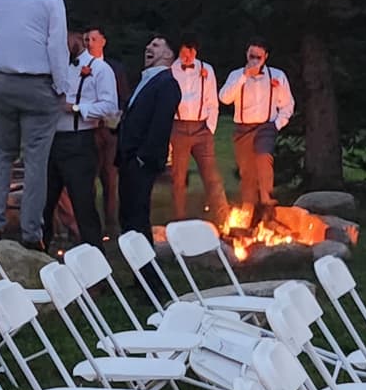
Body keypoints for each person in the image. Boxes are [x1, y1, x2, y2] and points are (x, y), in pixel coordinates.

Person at [0, 0, 69, 251]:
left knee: (2, 155)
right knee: (35, 161)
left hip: (2, 80)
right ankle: (31, 233)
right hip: (37, 84)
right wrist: (62, 87)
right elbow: (56, 46)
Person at [43, 31, 118, 251]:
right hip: (50, 142)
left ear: (76, 39)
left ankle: (95, 259)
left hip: (80, 141)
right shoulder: (52, 68)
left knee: (83, 204)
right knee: (44, 204)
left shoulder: (100, 69)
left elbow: (109, 106)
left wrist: (76, 109)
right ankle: (40, 256)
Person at [116, 35, 181, 244]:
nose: (148, 47)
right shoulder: (146, 80)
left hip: (142, 161)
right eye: (149, 44)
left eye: (155, 45)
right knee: (127, 215)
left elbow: (160, 126)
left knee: (137, 217)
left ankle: (148, 273)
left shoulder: (167, 83)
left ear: (169, 54)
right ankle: (137, 267)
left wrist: (142, 158)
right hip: (127, 158)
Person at [218, 38, 294, 206]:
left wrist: (277, 124)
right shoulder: (236, 75)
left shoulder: (277, 75)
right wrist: (244, 77)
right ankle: (249, 208)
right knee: (247, 172)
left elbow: (288, 104)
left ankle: (267, 199)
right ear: (247, 54)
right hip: (243, 128)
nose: (254, 60)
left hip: (266, 126)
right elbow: (224, 98)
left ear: (265, 57)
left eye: (258, 57)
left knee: (263, 156)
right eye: (251, 56)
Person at [169, 34, 230, 223]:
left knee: (212, 176)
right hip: (178, 128)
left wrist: (209, 128)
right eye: (185, 52)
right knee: (178, 178)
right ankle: (179, 219)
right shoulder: (171, 70)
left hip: (201, 128)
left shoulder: (206, 69)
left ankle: (223, 218)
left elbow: (213, 101)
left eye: (192, 52)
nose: (188, 56)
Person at [84, 25, 131, 237]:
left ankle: (112, 224)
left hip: (110, 131)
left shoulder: (115, 68)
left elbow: (124, 97)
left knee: (111, 178)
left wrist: (117, 116)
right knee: (88, 177)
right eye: (86, 39)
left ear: (103, 41)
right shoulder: (79, 67)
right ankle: (90, 224)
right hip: (88, 129)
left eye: (93, 39)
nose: (89, 43)